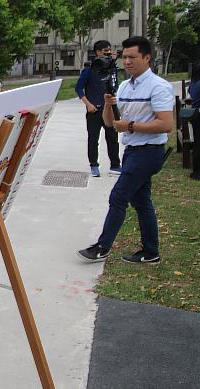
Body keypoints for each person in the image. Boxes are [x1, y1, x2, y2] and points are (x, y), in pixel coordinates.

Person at [78, 36, 173, 265]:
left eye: (133, 57)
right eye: (125, 57)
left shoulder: (158, 87)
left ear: (147, 58)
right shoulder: (124, 86)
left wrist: (130, 126)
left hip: (149, 151)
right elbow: (109, 123)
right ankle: (151, 252)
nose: (127, 62)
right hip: (131, 150)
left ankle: (103, 247)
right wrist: (109, 105)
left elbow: (166, 124)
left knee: (118, 196)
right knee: (142, 202)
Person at [75, 40, 122, 177]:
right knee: (93, 139)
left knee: (113, 138)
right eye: (104, 51)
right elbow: (79, 88)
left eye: (108, 51)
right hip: (94, 111)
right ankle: (94, 165)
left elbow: (115, 85)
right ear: (97, 52)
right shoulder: (90, 69)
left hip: (110, 110)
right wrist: (88, 104)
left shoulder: (112, 68)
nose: (106, 53)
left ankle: (115, 165)